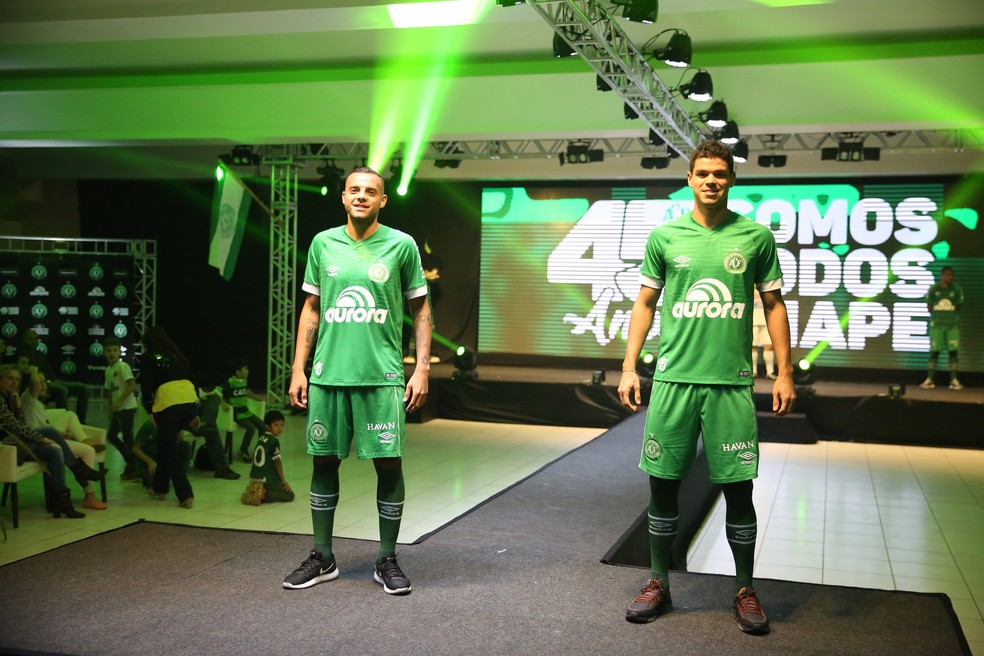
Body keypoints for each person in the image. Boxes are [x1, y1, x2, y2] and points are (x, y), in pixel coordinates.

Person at [617, 141, 795, 634]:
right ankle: (658, 583)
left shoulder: (755, 237)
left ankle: (744, 588)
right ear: (689, 179)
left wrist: (784, 372)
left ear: (731, 180)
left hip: (730, 387)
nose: (711, 180)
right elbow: (645, 303)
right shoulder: (665, 236)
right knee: (662, 486)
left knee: (738, 490)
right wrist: (630, 366)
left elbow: (774, 305)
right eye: (703, 173)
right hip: (673, 382)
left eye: (720, 173)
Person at [282, 166, 431, 595]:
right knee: (324, 461)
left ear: (383, 200)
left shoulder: (401, 245)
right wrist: (299, 367)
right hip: (330, 376)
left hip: (381, 377)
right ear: (343, 197)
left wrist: (420, 367)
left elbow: (421, 310)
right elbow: (311, 308)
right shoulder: (322, 243)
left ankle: (386, 557)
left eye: (371, 191)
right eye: (354, 190)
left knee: (389, 464)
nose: (362, 196)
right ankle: (323, 556)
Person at [0, 364, 103, 519]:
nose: (14, 382)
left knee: (55, 452)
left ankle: (63, 505)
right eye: (10, 378)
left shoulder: (11, 398)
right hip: (6, 447)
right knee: (48, 430)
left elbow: (21, 424)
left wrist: (18, 406)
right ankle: (79, 469)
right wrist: (40, 438)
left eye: (17, 379)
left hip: (21, 445)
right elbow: (16, 428)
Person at [139, 326, 200, 509]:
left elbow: (147, 386)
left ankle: (185, 494)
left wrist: (149, 409)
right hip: (189, 404)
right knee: (164, 444)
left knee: (170, 451)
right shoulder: (177, 356)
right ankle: (160, 488)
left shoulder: (149, 357)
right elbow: (194, 383)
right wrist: (196, 412)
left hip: (168, 406)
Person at [19, 329, 90, 423]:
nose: (34, 341)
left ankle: (81, 422)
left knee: (84, 388)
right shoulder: (21, 357)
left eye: (36, 339)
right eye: (31, 339)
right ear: (24, 340)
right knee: (63, 391)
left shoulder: (40, 354)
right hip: (36, 386)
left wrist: (54, 380)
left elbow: (49, 370)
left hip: (50, 382)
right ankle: (64, 422)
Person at [920, 266, 964, 391]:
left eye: (951, 275)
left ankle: (953, 380)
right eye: (948, 275)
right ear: (942, 275)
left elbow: (959, 306)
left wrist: (949, 315)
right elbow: (929, 306)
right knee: (935, 352)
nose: (950, 277)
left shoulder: (956, 289)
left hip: (952, 326)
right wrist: (938, 316)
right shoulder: (934, 289)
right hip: (937, 326)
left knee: (953, 352)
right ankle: (930, 379)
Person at [103, 336, 140, 480]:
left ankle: (133, 466)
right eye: (108, 350)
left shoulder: (122, 367)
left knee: (128, 437)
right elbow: (110, 391)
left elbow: (132, 385)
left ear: (119, 352)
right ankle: (130, 462)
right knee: (111, 436)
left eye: (114, 350)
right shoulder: (108, 370)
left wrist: (119, 401)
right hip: (118, 409)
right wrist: (110, 410)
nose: (111, 353)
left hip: (128, 407)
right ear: (104, 353)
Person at [221, 359, 266, 463]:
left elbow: (246, 390)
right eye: (245, 369)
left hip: (246, 411)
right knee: (250, 428)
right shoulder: (230, 382)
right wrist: (223, 403)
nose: (247, 371)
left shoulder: (244, 381)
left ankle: (261, 449)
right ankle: (243, 450)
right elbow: (220, 392)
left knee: (262, 425)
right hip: (236, 413)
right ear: (238, 372)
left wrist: (255, 397)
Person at [245, 410, 294, 503]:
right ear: (267, 426)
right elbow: (277, 462)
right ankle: (263, 495)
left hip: (254, 477)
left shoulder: (262, 438)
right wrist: (283, 481)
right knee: (290, 495)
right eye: (276, 425)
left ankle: (256, 489)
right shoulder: (273, 441)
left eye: (281, 425)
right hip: (266, 479)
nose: (280, 429)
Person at [751, 290, 776, 379]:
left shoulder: (766, 289)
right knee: (752, 347)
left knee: (768, 346)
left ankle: (770, 372)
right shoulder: (747, 287)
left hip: (766, 321)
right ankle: (753, 371)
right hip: (752, 322)